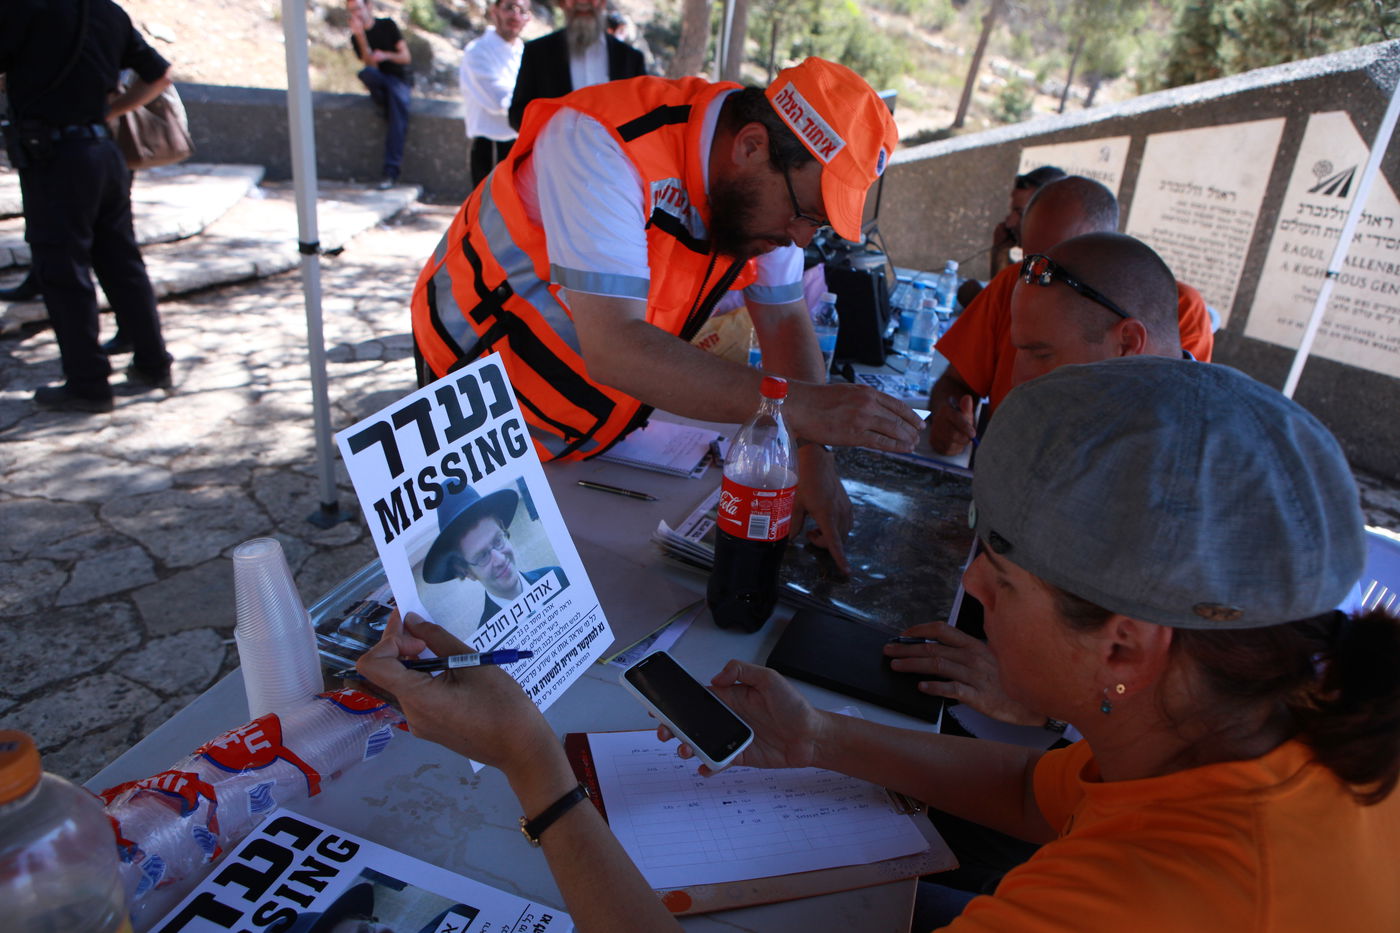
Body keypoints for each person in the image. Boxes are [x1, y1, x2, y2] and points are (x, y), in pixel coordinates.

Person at [359, 356, 1400, 932]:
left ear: (1124, 648)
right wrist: (821, 738)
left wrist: (535, 769)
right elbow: (1037, 792)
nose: (970, 586)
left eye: (1000, 574)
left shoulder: (1147, 902)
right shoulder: (1255, 720)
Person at [413, 58, 921, 573]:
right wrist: (799, 409)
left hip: (581, 424)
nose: (802, 238)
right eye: (806, 214)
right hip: (471, 403)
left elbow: (785, 319)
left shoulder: (764, 191)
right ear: (750, 147)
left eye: (819, 225)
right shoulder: (603, 142)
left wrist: (813, 457)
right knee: (460, 573)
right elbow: (615, 346)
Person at [927, 175, 1214, 455]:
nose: (1038, 278)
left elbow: (1172, 424)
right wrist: (949, 417)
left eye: (1041, 354)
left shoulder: (1173, 309)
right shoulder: (1020, 282)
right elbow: (956, 383)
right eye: (1030, 261)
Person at [2, 0, 175, 413]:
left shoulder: (24, 9)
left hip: (56, 157)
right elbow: (159, 75)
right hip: (104, 150)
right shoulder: (108, 11)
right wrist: (109, 110)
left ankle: (88, 384)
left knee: (63, 271)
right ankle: (153, 363)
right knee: (122, 262)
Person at [420, 483, 567, 632]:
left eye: (498, 540)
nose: (500, 560)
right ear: (467, 572)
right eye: (482, 555)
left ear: (503, 530)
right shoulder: (487, 639)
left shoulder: (558, 576)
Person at [506, 0, 646, 131]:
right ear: (562, 3)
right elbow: (517, 116)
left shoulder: (630, 59)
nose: (582, 2)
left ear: (603, 2)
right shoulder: (537, 53)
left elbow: (643, 116)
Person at [957, 165, 1065, 308]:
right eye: (1012, 211)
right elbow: (1006, 301)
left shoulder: (1055, 268)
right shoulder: (1034, 263)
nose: (1009, 223)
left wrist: (975, 298)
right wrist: (1000, 251)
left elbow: (1005, 312)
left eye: (1020, 213)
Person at [460, 0, 530, 190]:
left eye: (522, 10)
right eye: (509, 8)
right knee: (487, 205)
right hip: (489, 144)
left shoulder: (524, 52)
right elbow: (498, 100)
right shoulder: (477, 51)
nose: (515, 15)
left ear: (528, 18)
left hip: (519, 142)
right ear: (494, 11)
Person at [347, 0, 413, 190]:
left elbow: (406, 57)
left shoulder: (387, 25)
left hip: (398, 80)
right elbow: (370, 66)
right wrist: (361, 36)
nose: (357, 13)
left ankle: (391, 171)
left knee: (397, 119)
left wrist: (386, 55)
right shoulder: (357, 37)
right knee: (366, 73)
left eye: (358, 8)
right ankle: (385, 105)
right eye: (352, 11)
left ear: (368, 7)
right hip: (380, 82)